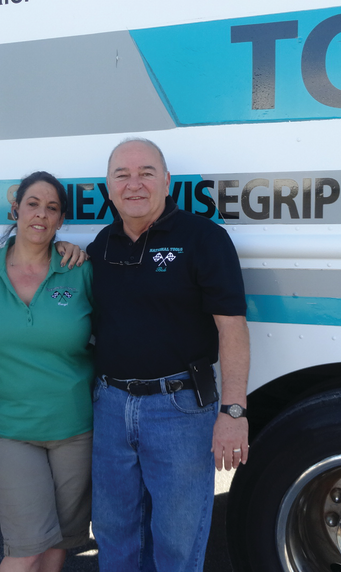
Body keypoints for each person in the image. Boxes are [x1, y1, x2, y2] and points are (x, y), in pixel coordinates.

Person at [86, 138, 251, 572]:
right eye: (122, 175)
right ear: (108, 186)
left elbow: (231, 327)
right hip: (110, 407)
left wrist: (234, 412)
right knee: (114, 535)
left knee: (177, 543)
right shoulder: (101, 246)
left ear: (167, 182)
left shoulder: (204, 239)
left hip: (179, 409)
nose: (134, 184)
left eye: (146, 173)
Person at [0, 171, 94, 572]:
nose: (41, 214)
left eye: (52, 208)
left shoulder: (80, 269)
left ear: (61, 220)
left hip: (75, 429)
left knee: (59, 543)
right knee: (25, 548)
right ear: (15, 209)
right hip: (7, 429)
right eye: (33, 204)